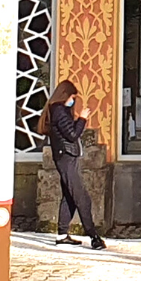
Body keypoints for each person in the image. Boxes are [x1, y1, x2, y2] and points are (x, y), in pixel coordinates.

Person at [43, 80, 105, 250]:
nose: (73, 101)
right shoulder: (59, 111)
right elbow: (72, 134)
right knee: (81, 197)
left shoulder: (57, 110)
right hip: (66, 158)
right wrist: (82, 119)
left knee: (69, 196)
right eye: (72, 97)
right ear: (65, 95)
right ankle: (94, 237)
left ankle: (62, 234)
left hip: (66, 156)